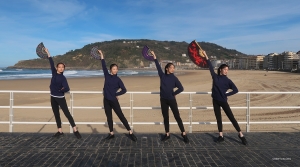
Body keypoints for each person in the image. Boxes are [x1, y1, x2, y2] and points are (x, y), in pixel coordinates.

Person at [202, 50, 247, 145]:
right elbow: (210, 66)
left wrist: (226, 95)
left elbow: (236, 90)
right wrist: (206, 55)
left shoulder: (228, 81)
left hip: (223, 101)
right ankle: (221, 135)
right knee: (218, 118)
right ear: (220, 69)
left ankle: (241, 135)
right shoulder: (215, 77)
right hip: (215, 100)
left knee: (231, 118)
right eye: (225, 69)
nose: (226, 71)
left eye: (227, 70)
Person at [98, 50, 137, 142]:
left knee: (121, 116)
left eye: (116, 69)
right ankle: (111, 133)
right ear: (111, 69)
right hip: (106, 100)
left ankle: (130, 132)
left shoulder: (118, 80)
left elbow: (124, 90)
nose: (115, 70)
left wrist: (116, 94)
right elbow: (103, 66)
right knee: (109, 117)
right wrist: (102, 55)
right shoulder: (107, 76)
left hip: (114, 101)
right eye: (114, 69)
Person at [151, 50, 189, 143]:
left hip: (171, 99)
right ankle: (167, 134)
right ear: (167, 68)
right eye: (171, 67)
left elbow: (181, 88)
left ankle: (183, 134)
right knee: (165, 117)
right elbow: (158, 67)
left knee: (177, 116)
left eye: (173, 68)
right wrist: (154, 57)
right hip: (163, 99)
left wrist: (174, 94)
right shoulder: (162, 76)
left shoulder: (174, 78)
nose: (173, 69)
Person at [45, 48, 81, 139]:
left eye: (62, 67)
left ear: (64, 69)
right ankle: (59, 131)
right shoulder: (54, 73)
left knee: (67, 114)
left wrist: (60, 90)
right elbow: (51, 62)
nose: (61, 68)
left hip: (60, 98)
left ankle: (75, 130)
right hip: (53, 97)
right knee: (56, 114)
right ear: (57, 68)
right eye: (59, 67)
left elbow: (67, 88)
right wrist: (48, 53)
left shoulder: (63, 78)